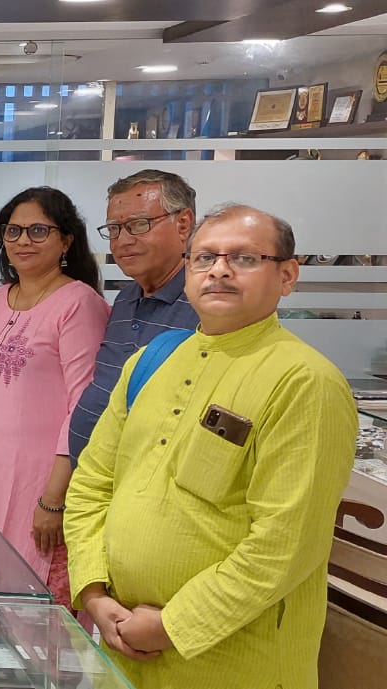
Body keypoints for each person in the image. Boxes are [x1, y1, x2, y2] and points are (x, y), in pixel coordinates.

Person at [65, 205, 354, 688]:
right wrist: (94, 593)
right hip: (122, 648)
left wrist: (172, 626)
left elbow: (285, 544)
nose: (219, 270)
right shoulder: (150, 362)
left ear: (287, 276)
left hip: (231, 661)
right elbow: (92, 483)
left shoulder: (305, 382)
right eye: (204, 258)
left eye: (243, 258)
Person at [0, 186, 107, 608]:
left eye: (38, 231)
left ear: (66, 240)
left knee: (35, 601)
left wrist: (54, 498)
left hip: (45, 477)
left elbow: (84, 406)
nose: (23, 241)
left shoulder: (78, 303)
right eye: (13, 231)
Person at [69, 170, 200, 465]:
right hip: (92, 479)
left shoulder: (207, 305)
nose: (122, 241)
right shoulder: (126, 298)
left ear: (183, 224)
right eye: (114, 229)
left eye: (139, 225)